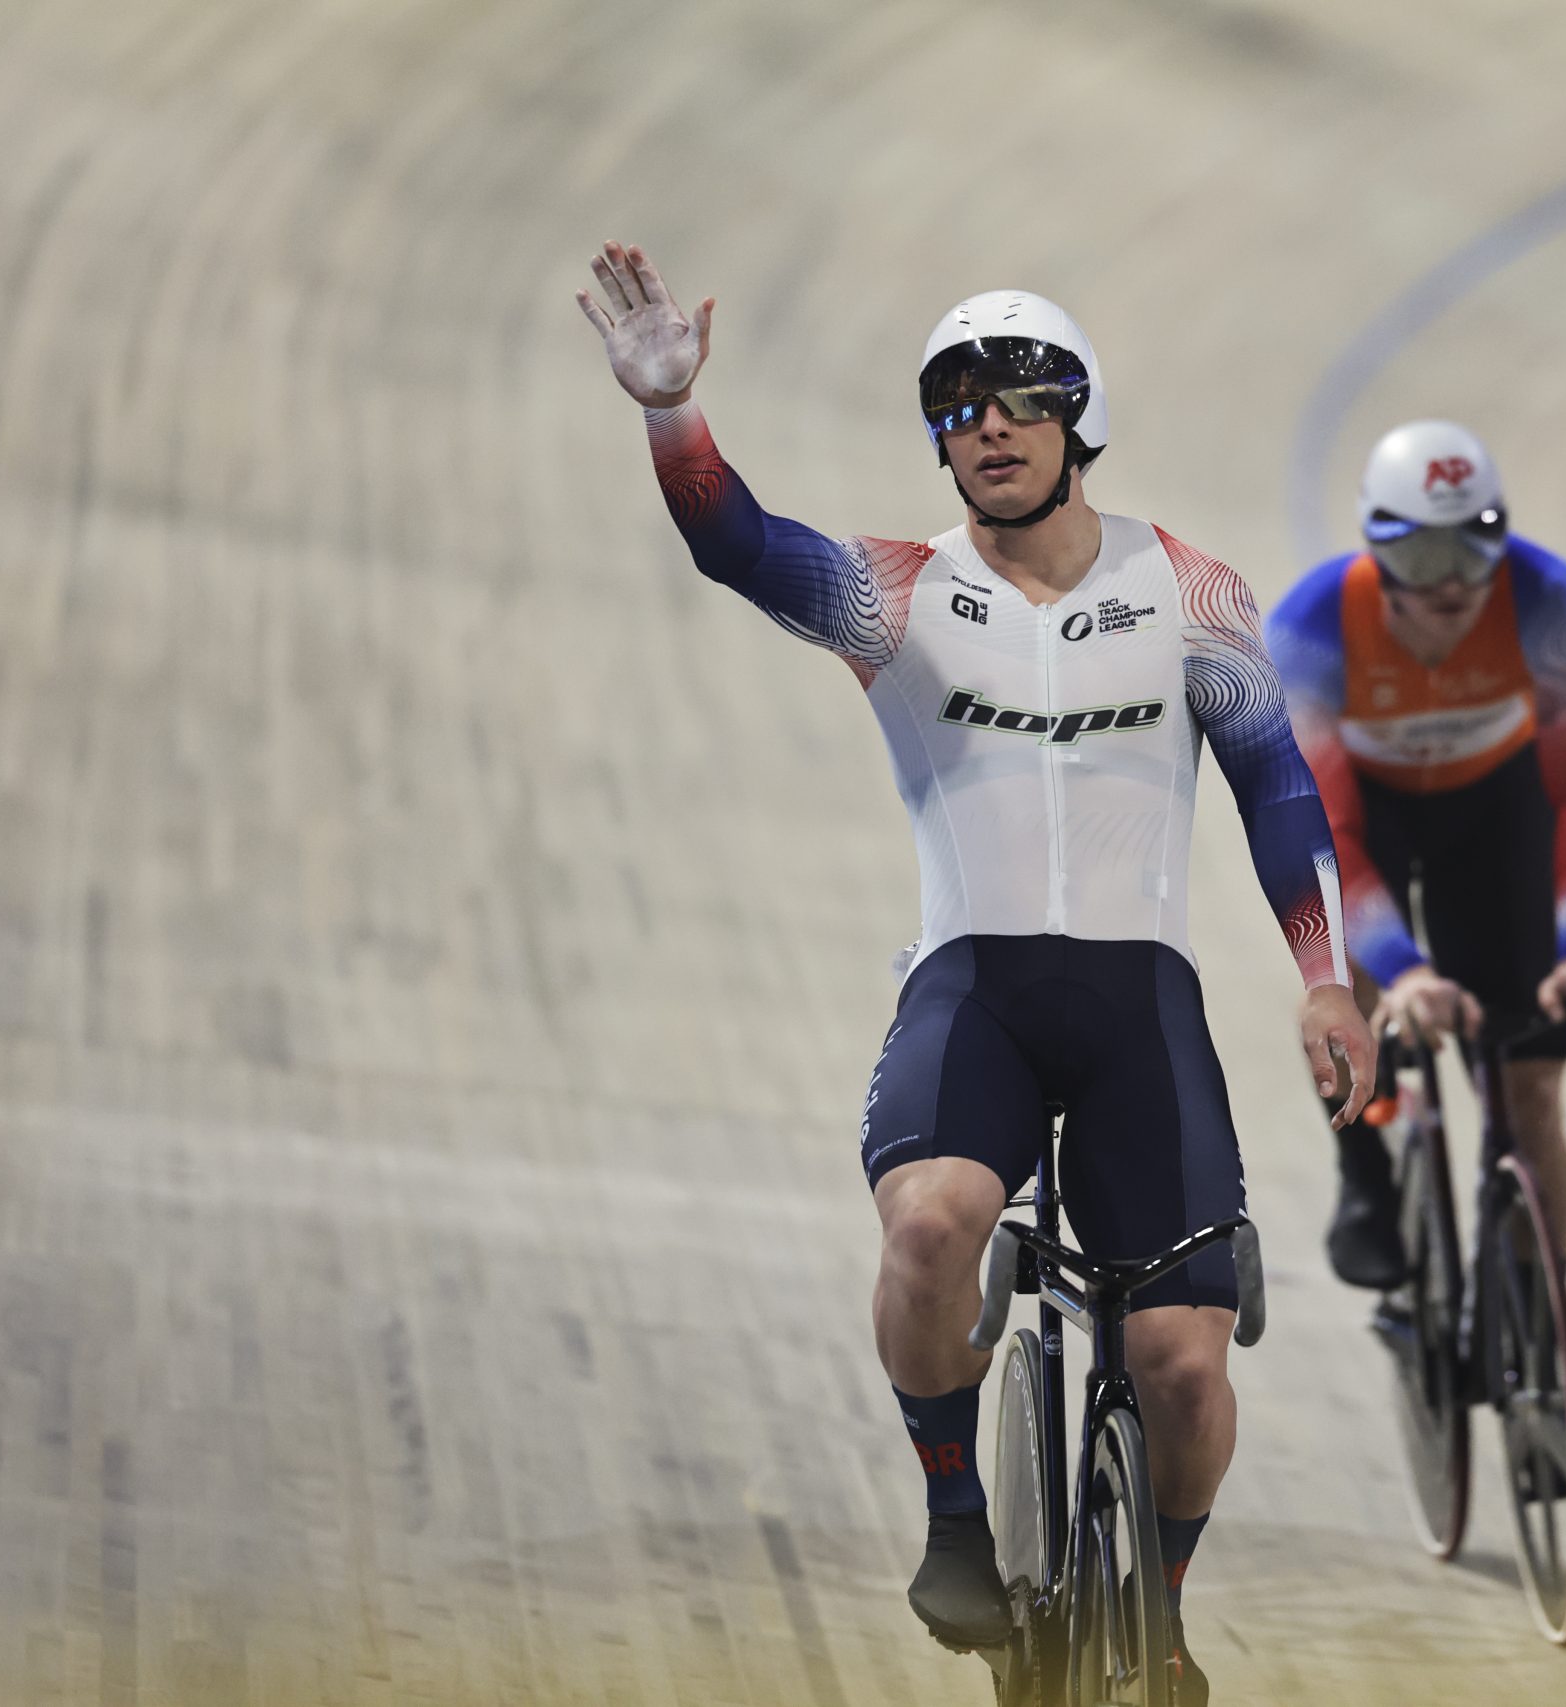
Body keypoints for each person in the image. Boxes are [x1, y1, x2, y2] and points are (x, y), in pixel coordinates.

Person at [577, 242, 1374, 1700]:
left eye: (1016, 402)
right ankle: (957, 1515)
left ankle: (1167, 1607)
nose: (985, 428)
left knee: (1189, 1367)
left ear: (1079, 421)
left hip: (1142, 1005)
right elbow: (736, 543)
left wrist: (1323, 975)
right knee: (933, 1231)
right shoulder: (894, 594)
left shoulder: (1194, 592)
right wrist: (673, 417)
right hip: (974, 994)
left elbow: (1273, 784)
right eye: (956, 409)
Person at [1266, 419, 1566, 1342]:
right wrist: (1404, 968)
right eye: (1421, 547)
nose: (1449, 578)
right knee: (1343, 986)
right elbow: (1328, 838)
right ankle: (1363, 1172)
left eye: (1473, 543)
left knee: (1531, 1093)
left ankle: (1538, 1328)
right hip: (1373, 813)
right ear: (1373, 541)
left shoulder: (1548, 599)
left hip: (1497, 809)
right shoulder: (1311, 628)